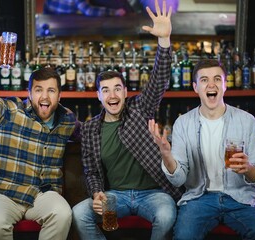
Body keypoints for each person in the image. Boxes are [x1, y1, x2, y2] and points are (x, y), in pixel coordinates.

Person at [72, 0, 184, 239]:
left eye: (117, 89)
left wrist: (164, 41)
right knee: (79, 213)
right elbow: (91, 171)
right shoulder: (91, 128)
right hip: (116, 196)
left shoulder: (139, 109)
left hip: (153, 194)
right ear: (98, 96)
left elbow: (159, 81)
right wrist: (97, 194)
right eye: (105, 90)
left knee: (165, 216)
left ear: (125, 92)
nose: (112, 95)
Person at [149, 59, 255, 239]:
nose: (211, 84)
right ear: (195, 87)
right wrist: (166, 155)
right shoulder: (183, 123)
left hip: (241, 198)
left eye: (217, 79)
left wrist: (249, 169)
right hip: (199, 199)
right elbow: (178, 180)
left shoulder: (247, 121)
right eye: (204, 80)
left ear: (225, 85)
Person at [0, 38, 80, 240]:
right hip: (5, 194)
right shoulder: (11, 111)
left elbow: (92, 133)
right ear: (29, 93)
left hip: (43, 195)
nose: (45, 97)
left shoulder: (67, 119)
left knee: (63, 214)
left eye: (51, 91)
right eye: (38, 90)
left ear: (59, 96)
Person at [43, 0, 127, 17]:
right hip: (69, 30)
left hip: (52, 28)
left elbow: (46, 8)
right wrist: (114, 12)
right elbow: (89, 11)